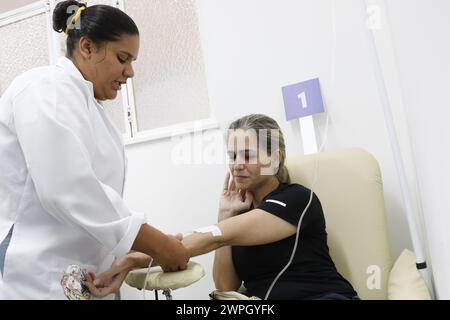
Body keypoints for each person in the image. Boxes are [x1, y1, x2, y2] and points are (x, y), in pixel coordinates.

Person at [0, 1, 189, 300]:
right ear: (87, 47)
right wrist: (159, 245)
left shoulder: (91, 108)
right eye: (123, 58)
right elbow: (68, 187)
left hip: (86, 274)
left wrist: (130, 255)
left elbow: (101, 200)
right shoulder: (44, 89)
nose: (130, 73)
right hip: (36, 273)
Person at [90, 114, 358, 300]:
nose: (237, 163)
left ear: (274, 160)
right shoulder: (237, 220)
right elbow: (225, 286)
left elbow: (216, 237)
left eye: (248, 155)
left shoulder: (298, 200)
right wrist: (225, 213)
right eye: (232, 155)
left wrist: (135, 258)